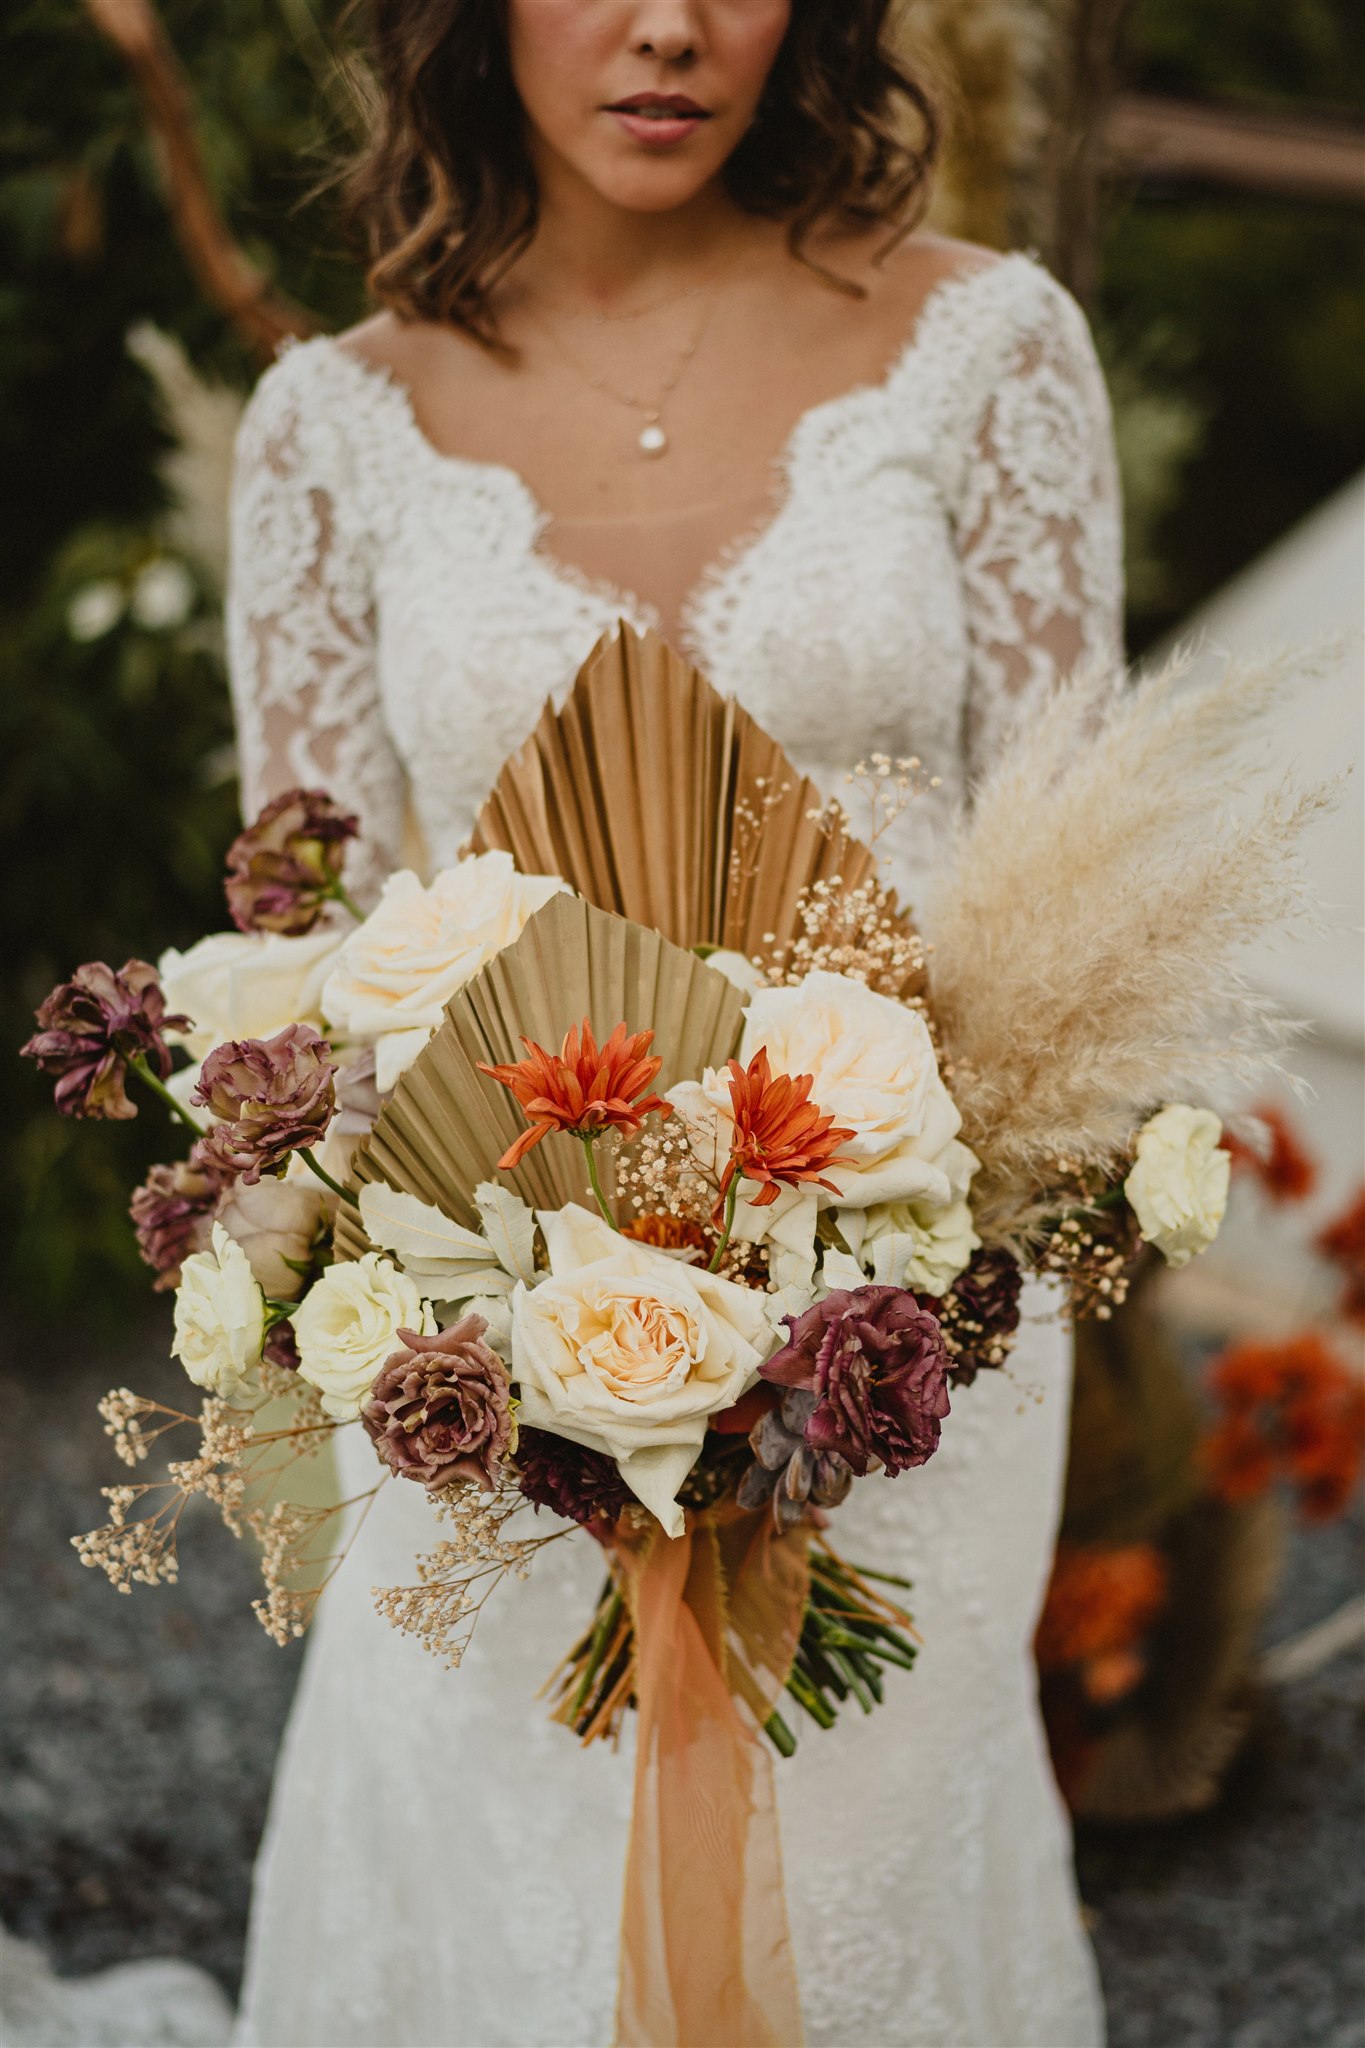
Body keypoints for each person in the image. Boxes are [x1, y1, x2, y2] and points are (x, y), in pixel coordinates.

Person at [227, 3, 1121, 2042]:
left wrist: (914, 1237)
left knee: (863, 1873)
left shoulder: (986, 348)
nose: (663, 23)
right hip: (486, 1301)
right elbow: (309, 949)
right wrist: (449, 1288)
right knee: (511, 1865)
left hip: (911, 1315)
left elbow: (1074, 860)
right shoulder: (330, 428)